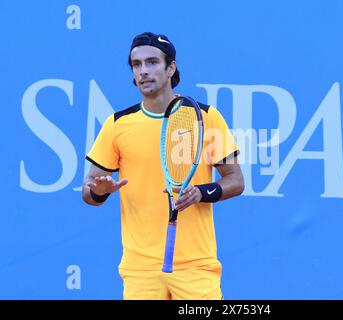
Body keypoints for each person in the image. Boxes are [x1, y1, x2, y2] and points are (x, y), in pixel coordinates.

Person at [81, 32, 244, 300]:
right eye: (136, 65)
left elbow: (236, 180)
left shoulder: (206, 117)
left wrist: (202, 193)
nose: (143, 71)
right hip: (140, 269)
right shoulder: (116, 125)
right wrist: (100, 190)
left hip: (195, 266)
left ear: (171, 68)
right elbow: (88, 194)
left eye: (152, 62)